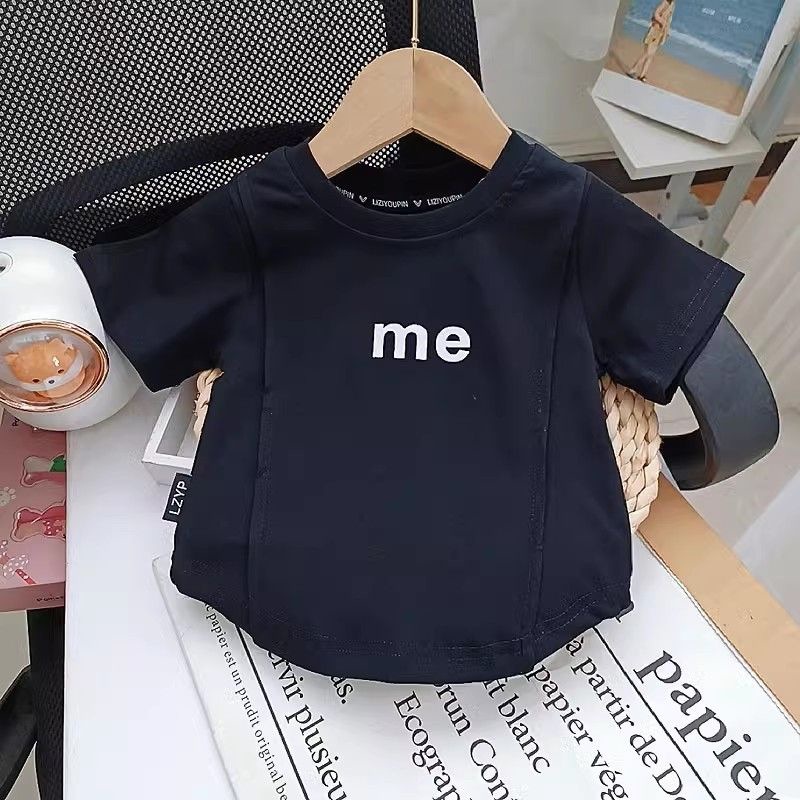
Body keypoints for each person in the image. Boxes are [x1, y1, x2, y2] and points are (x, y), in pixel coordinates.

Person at [628, 0, 675, 82]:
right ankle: (633, 69)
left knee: (651, 55)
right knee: (647, 53)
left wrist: (666, 32)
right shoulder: (665, 2)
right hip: (654, 30)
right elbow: (656, 14)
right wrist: (662, 22)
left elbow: (669, 20)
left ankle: (642, 75)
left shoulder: (672, 5)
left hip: (661, 33)